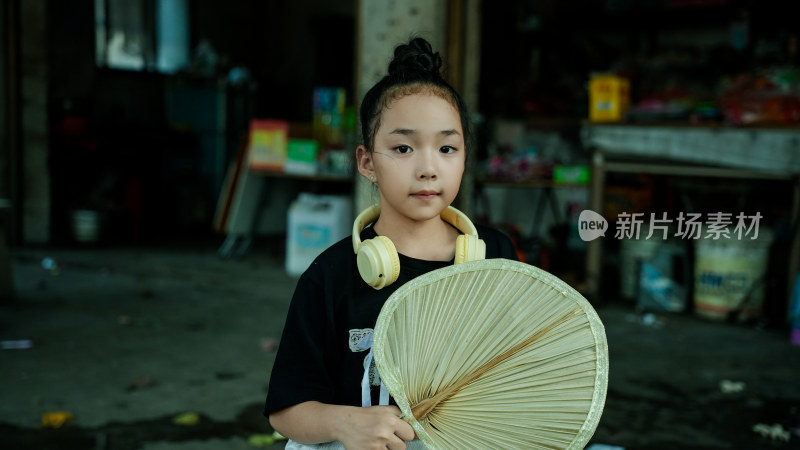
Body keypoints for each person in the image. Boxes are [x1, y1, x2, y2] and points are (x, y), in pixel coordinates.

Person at [264, 37, 519, 449]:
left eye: (447, 148)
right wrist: (344, 423)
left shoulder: (496, 255)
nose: (428, 169)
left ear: (465, 158)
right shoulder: (330, 275)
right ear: (367, 163)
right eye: (403, 147)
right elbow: (286, 410)